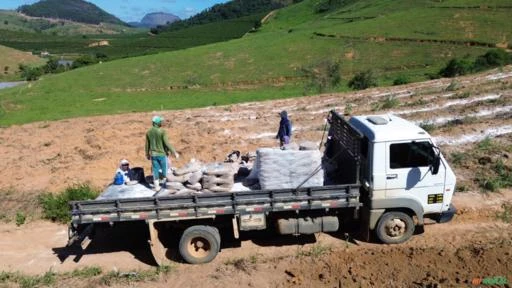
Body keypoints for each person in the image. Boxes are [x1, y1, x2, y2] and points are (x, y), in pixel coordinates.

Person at [145, 115, 179, 191]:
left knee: (155, 170)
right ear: (157, 123)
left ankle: (156, 186)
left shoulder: (148, 132)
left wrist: (147, 154)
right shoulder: (162, 131)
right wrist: (174, 152)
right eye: (160, 121)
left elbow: (147, 145)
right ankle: (165, 185)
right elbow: (167, 143)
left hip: (153, 155)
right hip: (162, 154)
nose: (161, 122)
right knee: (165, 171)